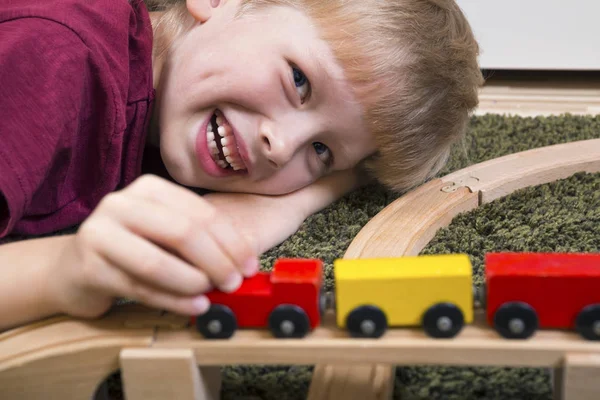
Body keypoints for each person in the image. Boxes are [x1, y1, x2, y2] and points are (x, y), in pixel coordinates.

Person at [0, 0, 482, 331]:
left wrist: (281, 205)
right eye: (299, 81)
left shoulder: (174, 99)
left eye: (321, 151)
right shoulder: (54, 62)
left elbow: (352, 172)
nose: (281, 146)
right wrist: (61, 273)